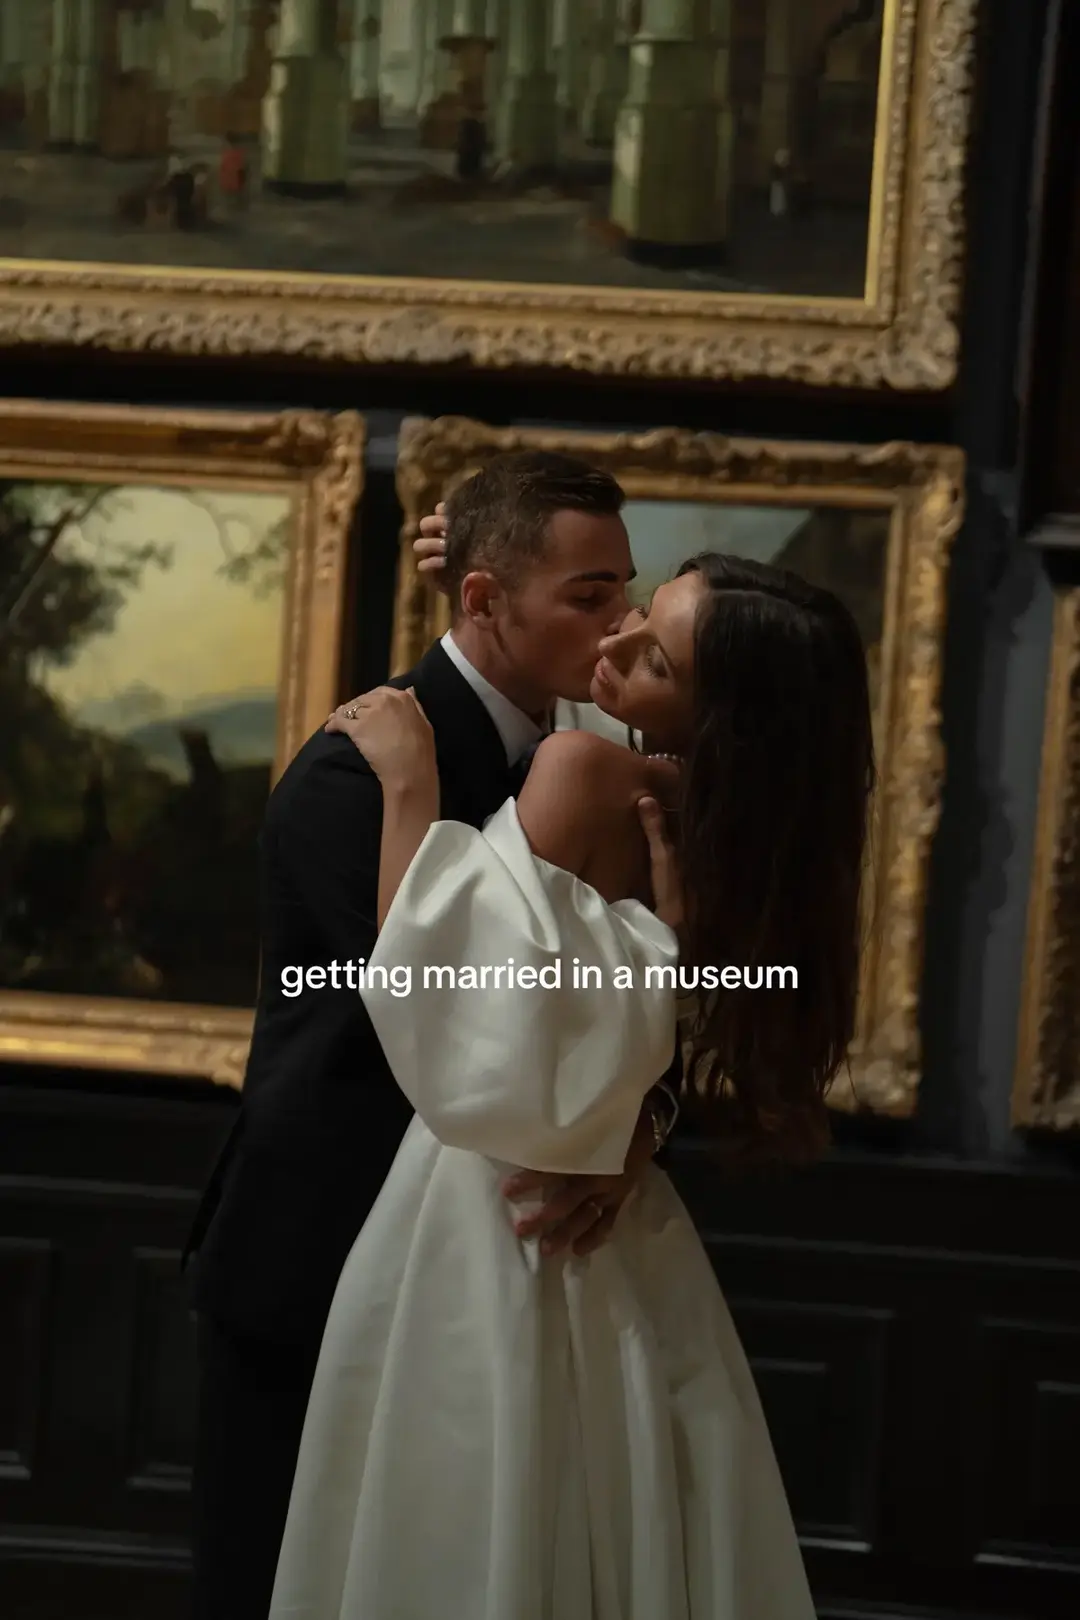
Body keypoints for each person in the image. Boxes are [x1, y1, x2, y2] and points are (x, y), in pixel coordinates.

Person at [267, 522, 876, 1615]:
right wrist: (638, 1131)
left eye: (653, 654)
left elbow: (442, 1002)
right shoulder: (748, 823)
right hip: (622, 1228)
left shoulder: (583, 766)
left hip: (481, 1202)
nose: (620, 633)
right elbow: (672, 1025)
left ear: (714, 712)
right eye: (641, 600)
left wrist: (411, 786)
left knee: (464, 1518)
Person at [184, 453, 682, 1620]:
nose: (621, 622)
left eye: (628, 590)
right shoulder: (356, 775)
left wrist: (640, 1128)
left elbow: (661, 999)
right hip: (322, 1253)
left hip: (502, 1264)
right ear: (480, 602)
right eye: (588, 595)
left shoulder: (606, 772)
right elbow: (446, 1018)